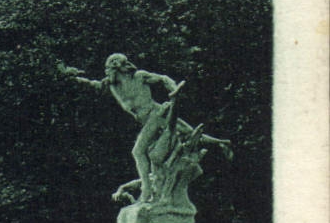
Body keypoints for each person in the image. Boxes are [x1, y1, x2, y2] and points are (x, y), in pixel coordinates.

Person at [62, 54, 230, 204]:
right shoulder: (112, 86)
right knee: (189, 133)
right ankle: (223, 143)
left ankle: (146, 190)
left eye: (109, 68)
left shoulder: (139, 77)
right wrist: (73, 79)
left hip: (155, 114)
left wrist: (173, 89)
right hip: (150, 119)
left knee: (138, 151)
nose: (107, 72)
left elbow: (163, 78)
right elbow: (95, 85)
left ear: (118, 67)